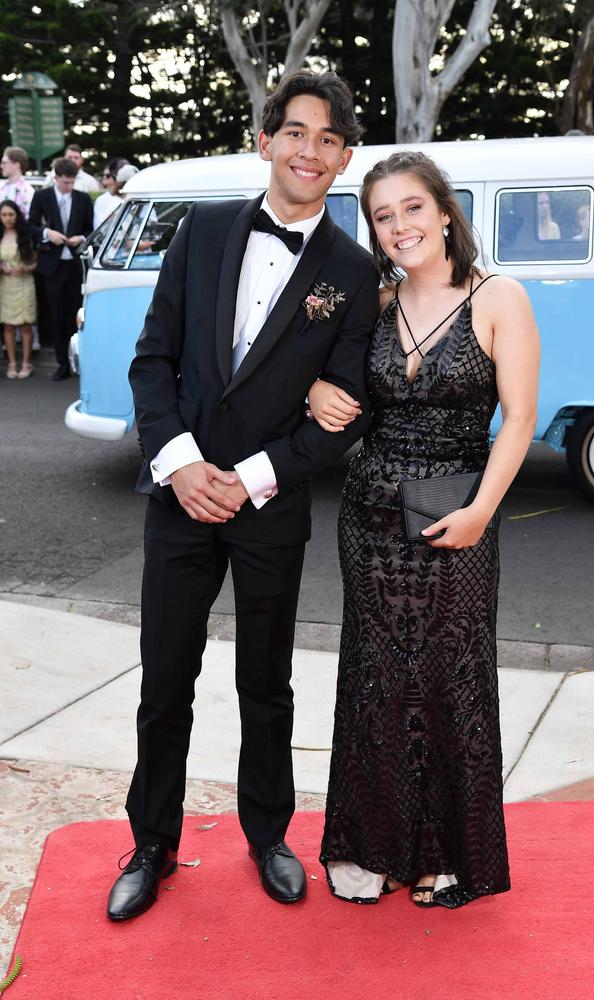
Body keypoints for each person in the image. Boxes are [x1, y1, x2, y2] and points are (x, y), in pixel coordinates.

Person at [106, 70, 378, 923]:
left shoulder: (354, 271)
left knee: (267, 684)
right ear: (267, 140)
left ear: (344, 159)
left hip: (270, 509)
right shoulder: (205, 230)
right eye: (296, 132)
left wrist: (255, 477)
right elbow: (152, 362)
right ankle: (151, 842)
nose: (310, 150)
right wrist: (181, 467)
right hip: (177, 502)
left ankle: (269, 835)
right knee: (165, 680)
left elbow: (340, 412)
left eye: (329, 139)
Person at [310, 151, 540, 907]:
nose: (400, 225)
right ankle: (372, 847)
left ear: (445, 212)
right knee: (375, 676)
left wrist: (481, 511)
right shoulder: (374, 305)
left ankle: (448, 853)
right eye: (383, 214)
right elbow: (331, 384)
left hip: (458, 513)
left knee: (451, 677)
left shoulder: (499, 297)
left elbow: (520, 422)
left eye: (413, 207)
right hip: (371, 519)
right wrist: (318, 388)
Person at [28, 157, 93, 380]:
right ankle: (62, 364)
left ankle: (81, 362)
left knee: (76, 315)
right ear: (55, 178)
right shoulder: (42, 197)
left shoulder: (83, 199)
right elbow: (31, 226)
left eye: (72, 182)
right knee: (56, 315)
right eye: (65, 182)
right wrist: (48, 234)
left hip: (75, 264)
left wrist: (81, 238)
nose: (69, 186)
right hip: (52, 266)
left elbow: (91, 229)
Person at [0, 200, 37, 378]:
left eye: (11, 214)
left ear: (17, 215)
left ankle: (26, 363)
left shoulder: (25, 235)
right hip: (4, 285)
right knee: (7, 326)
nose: (8, 218)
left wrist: (24, 268)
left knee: (25, 325)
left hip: (24, 283)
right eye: (4, 215)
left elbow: (35, 262)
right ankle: (12, 363)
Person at [0, 147, 35, 219]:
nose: (1, 166)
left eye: (4, 163)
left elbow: (28, 219)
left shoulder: (28, 191)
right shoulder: (1, 187)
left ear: (17, 165)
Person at [93, 158, 128, 228]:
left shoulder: (135, 196)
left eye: (108, 175)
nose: (104, 178)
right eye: (104, 175)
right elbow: (98, 227)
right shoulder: (101, 200)